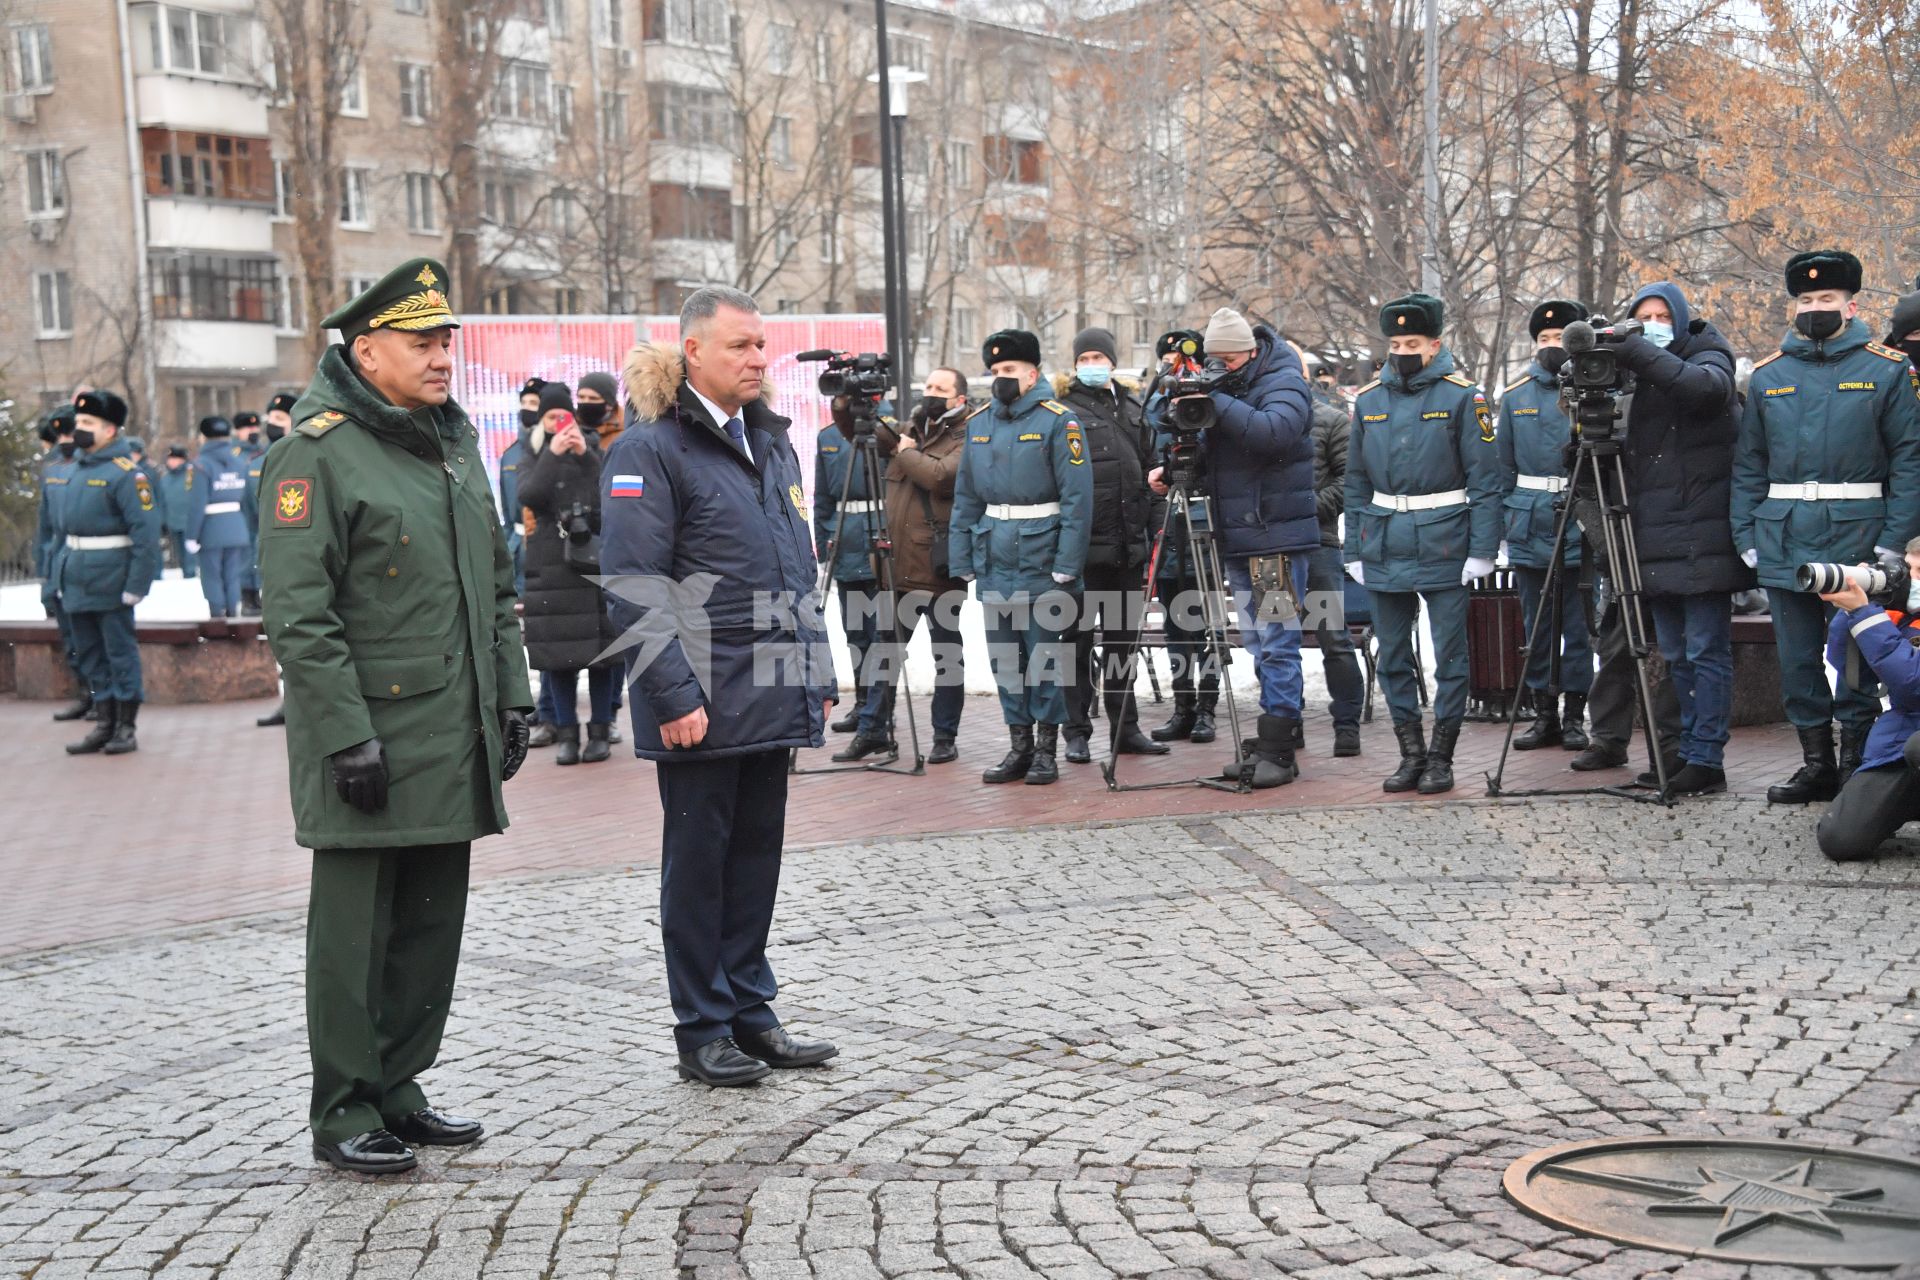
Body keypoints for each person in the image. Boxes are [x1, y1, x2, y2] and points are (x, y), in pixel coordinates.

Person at [259, 257, 533, 1175]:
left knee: (428, 923)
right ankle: (343, 1109)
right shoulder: (318, 451)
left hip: (450, 730)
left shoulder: (450, 442)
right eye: (423, 343)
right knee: (353, 934)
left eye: (448, 340)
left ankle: (401, 1087)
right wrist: (344, 734)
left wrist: (512, 695)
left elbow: (495, 586)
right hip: (368, 739)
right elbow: (301, 614)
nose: (443, 356)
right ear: (366, 350)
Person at [602, 285, 838, 1087]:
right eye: (740, 346)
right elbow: (634, 583)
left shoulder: (771, 442)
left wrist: (819, 667)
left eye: (762, 345)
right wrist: (672, 695)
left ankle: (750, 1011)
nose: (759, 359)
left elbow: (796, 568)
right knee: (699, 868)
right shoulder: (651, 448)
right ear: (692, 351)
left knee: (754, 860)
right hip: (700, 695)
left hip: (771, 682)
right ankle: (702, 1025)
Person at [1734, 250, 1920, 803]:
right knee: (1796, 657)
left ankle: (1855, 765)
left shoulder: (1887, 369)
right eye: (1807, 300)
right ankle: (1815, 763)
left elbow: (1910, 460)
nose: (1816, 308)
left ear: (1851, 304)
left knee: (1858, 651)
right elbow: (1749, 463)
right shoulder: (1769, 376)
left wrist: (1891, 541)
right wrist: (1746, 535)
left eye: (1827, 300)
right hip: (1783, 532)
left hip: (1860, 532)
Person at [1149, 308, 1317, 788]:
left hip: (1274, 538)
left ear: (1248, 353)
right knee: (1259, 643)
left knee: (1278, 641)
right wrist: (1178, 462)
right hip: (1241, 538)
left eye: (1225, 359)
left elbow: (1274, 433)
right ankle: (1269, 739)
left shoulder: (1283, 381)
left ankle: (1281, 748)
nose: (1218, 367)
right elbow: (1217, 457)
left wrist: (1216, 402)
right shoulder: (1230, 389)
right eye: (1212, 360)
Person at [1344, 293, 1502, 795]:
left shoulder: (1463, 397)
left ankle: (1442, 755)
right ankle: (1410, 753)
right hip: (1385, 540)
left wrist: (1483, 549)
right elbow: (1354, 481)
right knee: (1393, 656)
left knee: (1448, 656)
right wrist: (1353, 549)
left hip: (1445, 540)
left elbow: (1485, 480)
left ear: (1436, 344)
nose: (1403, 351)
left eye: (1413, 342)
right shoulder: (1369, 401)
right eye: (1395, 342)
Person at [1615, 280, 1752, 795]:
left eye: (1660, 316)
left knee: (1705, 650)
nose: (1651, 325)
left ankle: (1706, 757)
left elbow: (1704, 390)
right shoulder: (1630, 375)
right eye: (1642, 316)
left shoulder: (1708, 352)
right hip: (1652, 537)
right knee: (1673, 653)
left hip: (1703, 536)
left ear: (1679, 317)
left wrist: (1638, 355)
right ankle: (1682, 752)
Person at [950, 328, 1094, 786]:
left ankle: (1047, 752)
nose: (1000, 379)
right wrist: (962, 559)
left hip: (1043, 557)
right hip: (995, 559)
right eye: (994, 372)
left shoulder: (1059, 421)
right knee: (1006, 662)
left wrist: (1067, 565)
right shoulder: (979, 424)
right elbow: (966, 498)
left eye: (1009, 370)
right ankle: (1019, 747)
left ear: (1032, 374)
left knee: (1045, 659)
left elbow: (1078, 500)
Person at [1054, 325, 1165, 763]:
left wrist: (1153, 530)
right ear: (1076, 364)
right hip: (1082, 553)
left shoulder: (1134, 408)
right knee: (1075, 642)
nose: (1092, 365)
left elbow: (1152, 470)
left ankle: (1126, 728)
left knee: (1123, 645)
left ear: (1113, 363)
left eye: (1099, 358)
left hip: (1126, 549)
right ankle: (1076, 731)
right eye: (1085, 359)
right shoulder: (1063, 410)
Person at [1498, 300, 1595, 752]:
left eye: (1560, 338)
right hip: (1530, 520)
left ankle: (1575, 715)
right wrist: (1503, 525)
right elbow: (1501, 470)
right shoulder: (1515, 397)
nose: (1551, 346)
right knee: (1536, 627)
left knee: (1577, 627)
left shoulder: (1596, 391)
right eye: (1544, 339)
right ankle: (1544, 714)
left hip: (1581, 521)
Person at [862, 367, 972, 764]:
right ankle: (871, 729)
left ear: (959, 399)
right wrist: (849, 403)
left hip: (941, 568)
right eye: (927, 387)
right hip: (898, 566)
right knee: (885, 653)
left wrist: (905, 451)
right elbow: (856, 433)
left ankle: (944, 736)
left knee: (947, 657)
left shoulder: (967, 435)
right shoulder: (911, 428)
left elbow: (940, 476)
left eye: (940, 389)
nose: (930, 394)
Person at [55, 390, 162, 756]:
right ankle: (103, 722)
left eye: (88, 423)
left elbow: (146, 536)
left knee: (119, 654)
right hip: (77, 578)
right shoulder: (76, 471)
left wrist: (137, 585)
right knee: (90, 656)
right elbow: (64, 533)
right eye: (79, 422)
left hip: (112, 580)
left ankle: (126, 726)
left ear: (111, 429)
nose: (79, 429)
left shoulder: (128, 476)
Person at [518, 381, 620, 765]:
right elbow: (528, 495)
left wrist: (584, 454)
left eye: (564, 416)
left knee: (601, 655)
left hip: (591, 560)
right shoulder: (531, 452)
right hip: (550, 563)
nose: (558, 423)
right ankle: (565, 734)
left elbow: (606, 496)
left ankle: (600, 732)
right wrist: (552, 454)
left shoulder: (592, 448)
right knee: (558, 658)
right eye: (550, 417)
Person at [1814, 539, 1920, 860]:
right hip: (1901, 741)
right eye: (1910, 567)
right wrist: (1852, 611)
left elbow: (1913, 683)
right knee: (1840, 839)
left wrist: (1865, 613)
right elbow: (1855, 675)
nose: (1910, 578)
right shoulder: (1903, 617)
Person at [1143, 331, 1221, 746]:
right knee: (1175, 626)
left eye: (1184, 356)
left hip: (1204, 521)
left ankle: (1208, 709)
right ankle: (1182, 707)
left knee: (1207, 626)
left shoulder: (1211, 400)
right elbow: (1150, 450)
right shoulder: (1156, 404)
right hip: (1168, 523)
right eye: (1170, 357)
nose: (1178, 364)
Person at [815, 395, 891, 761]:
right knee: (856, 633)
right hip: (845, 542)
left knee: (881, 637)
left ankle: (879, 716)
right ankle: (864, 704)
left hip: (879, 540)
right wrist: (822, 541)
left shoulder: (886, 431)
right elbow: (822, 499)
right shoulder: (827, 436)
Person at [1302, 347, 1365, 757]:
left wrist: (1306, 510)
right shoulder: (1257, 423)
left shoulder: (1329, 420)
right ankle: (1286, 725)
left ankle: (1347, 725)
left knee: (1334, 641)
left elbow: (1349, 482)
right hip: (1273, 552)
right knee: (1280, 641)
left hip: (1319, 548)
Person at [34, 404, 91, 722]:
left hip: (86, 562)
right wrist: (43, 570)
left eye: (72, 432)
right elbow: (44, 527)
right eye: (63, 433)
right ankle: (85, 693)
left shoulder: (92, 468)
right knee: (70, 637)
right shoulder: (52, 469)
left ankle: (105, 701)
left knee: (93, 638)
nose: (67, 439)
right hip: (58, 563)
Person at [187, 416, 253, 618]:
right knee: (232, 575)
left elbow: (197, 504)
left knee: (212, 575)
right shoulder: (240, 463)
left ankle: (217, 615)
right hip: (236, 526)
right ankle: (233, 613)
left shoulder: (200, 466)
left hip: (211, 529)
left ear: (203, 437)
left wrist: (191, 536)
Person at [234, 410, 267, 615]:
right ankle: (247, 595)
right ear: (238, 431)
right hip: (241, 513)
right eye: (247, 427)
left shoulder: (264, 453)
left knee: (258, 553)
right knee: (245, 556)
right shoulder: (233, 456)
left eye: (255, 427)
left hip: (259, 508)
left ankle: (258, 594)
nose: (252, 431)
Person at [156, 445, 197, 578]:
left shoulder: (192, 476)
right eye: (170, 459)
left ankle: (190, 576)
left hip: (189, 522)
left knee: (190, 557)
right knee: (179, 554)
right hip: (172, 522)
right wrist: (162, 521)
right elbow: (161, 502)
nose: (172, 462)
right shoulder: (164, 479)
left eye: (175, 459)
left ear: (183, 460)